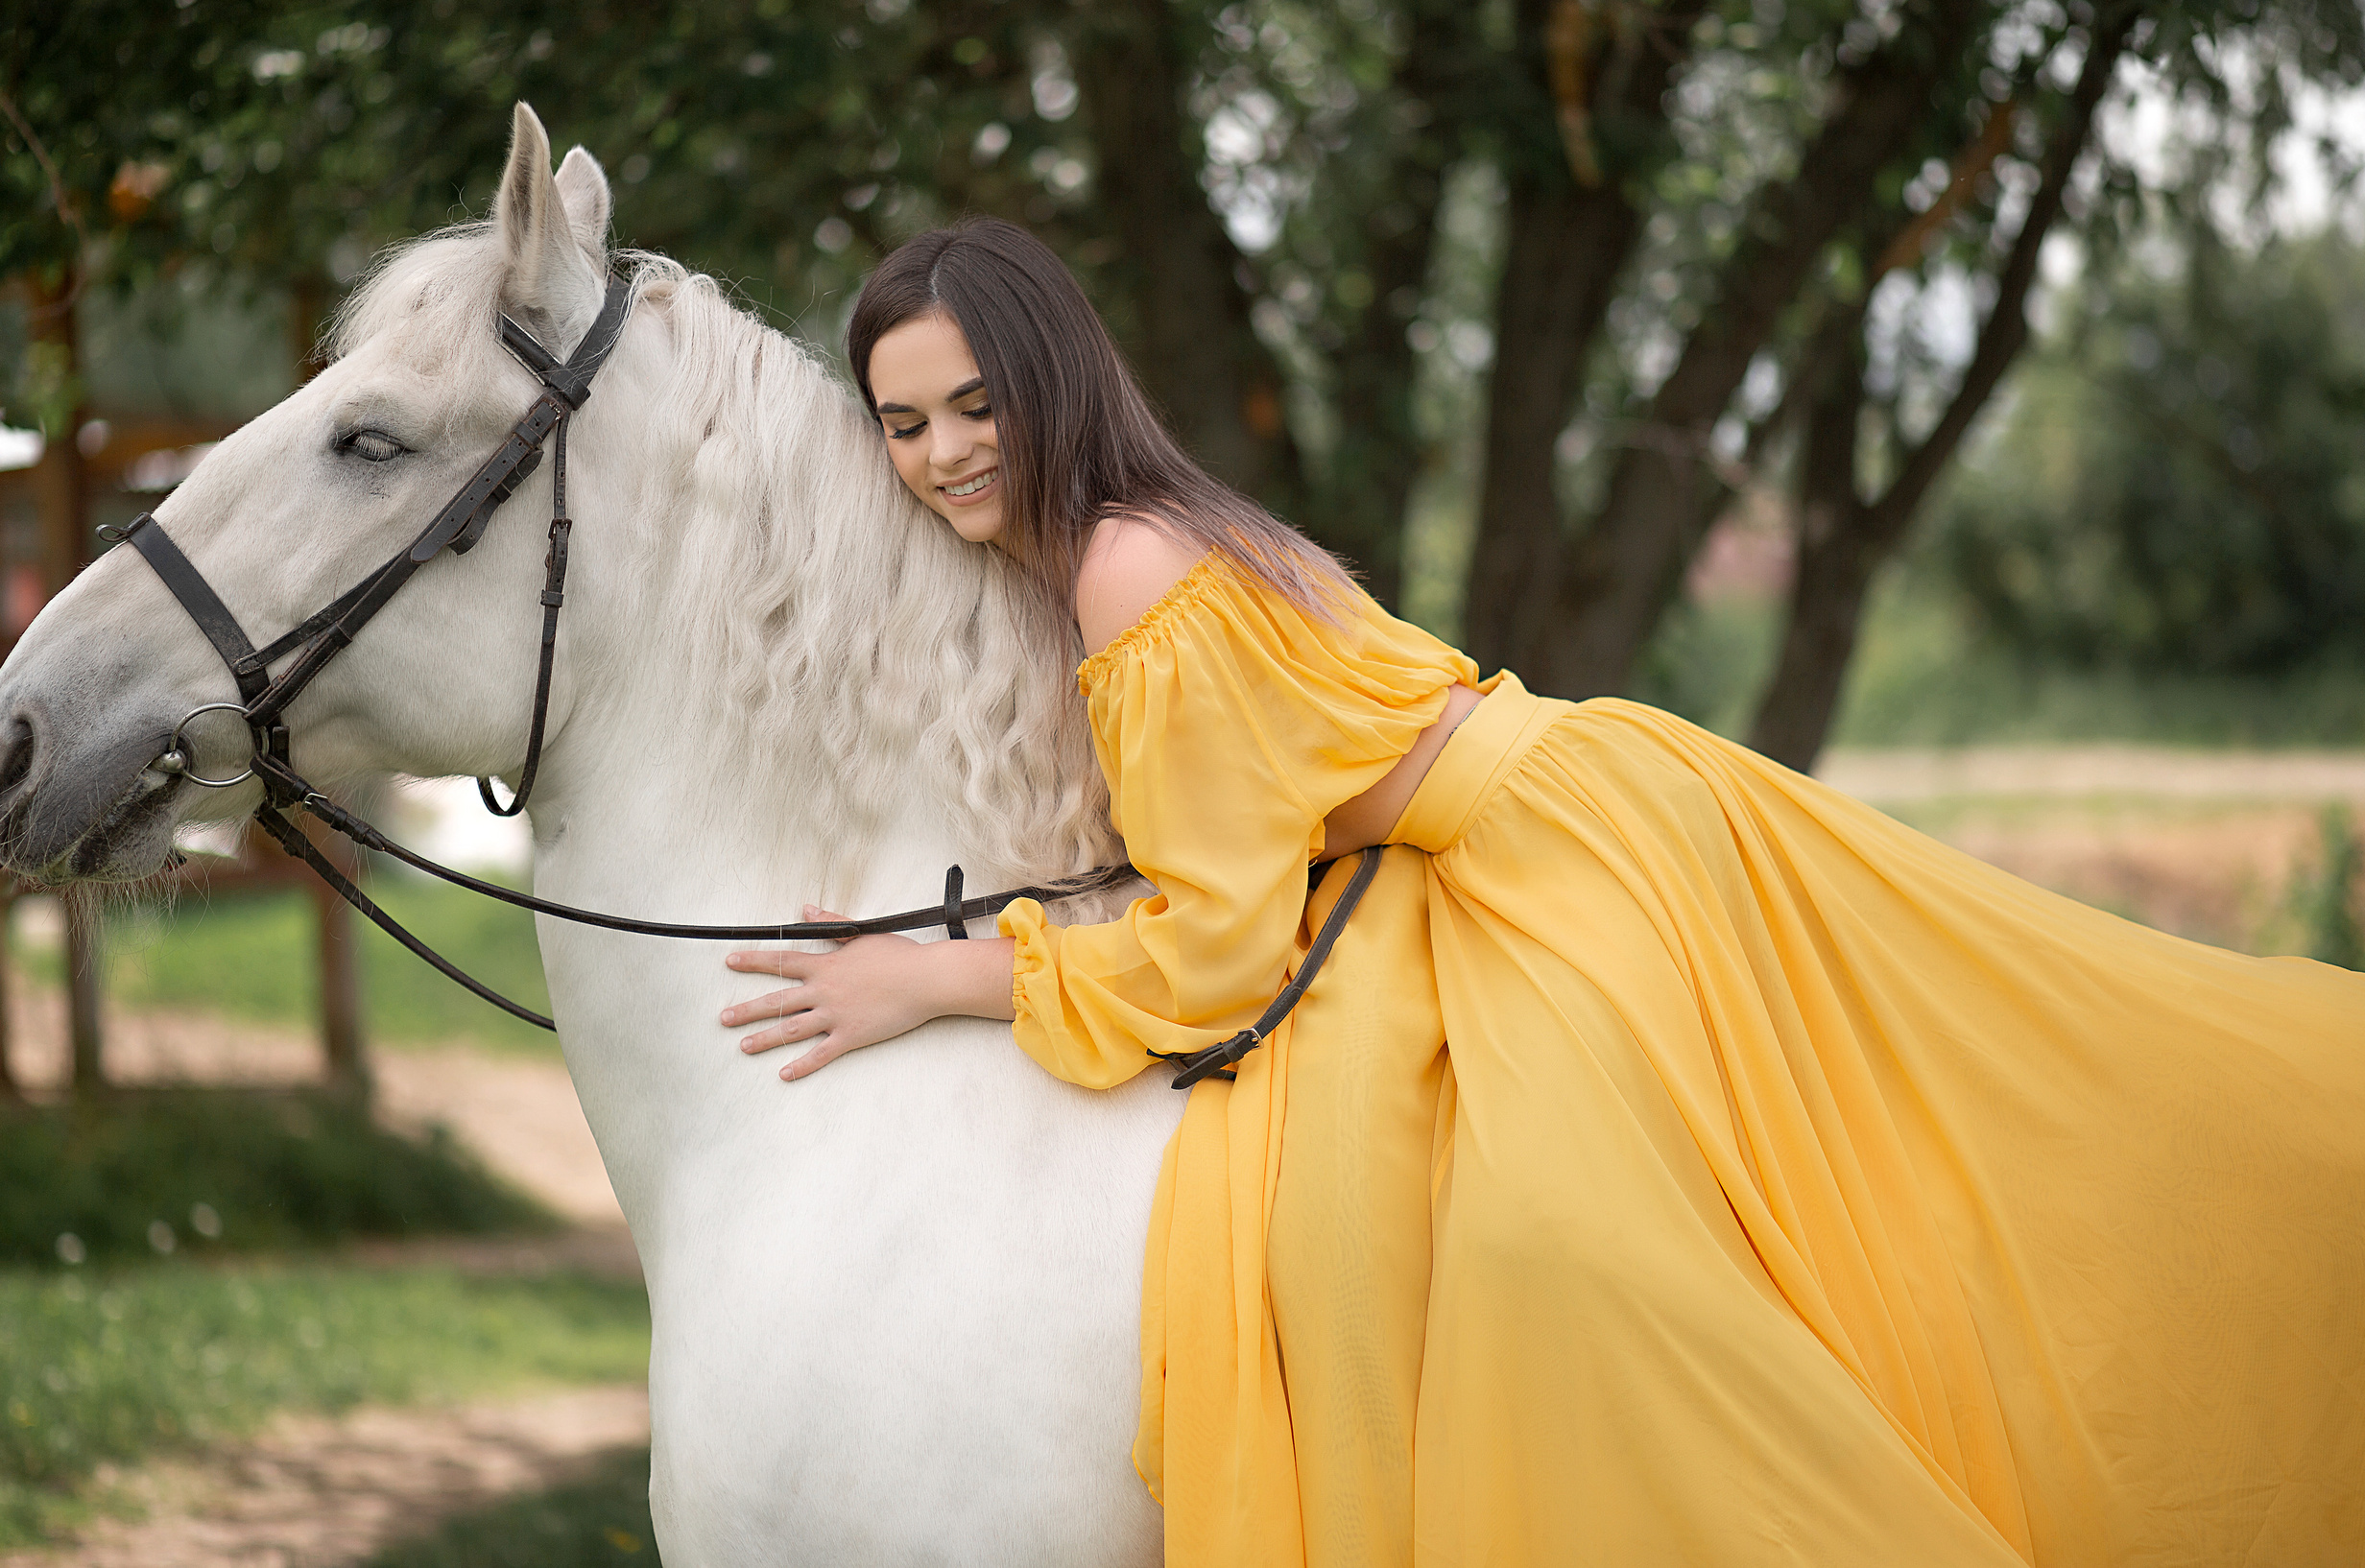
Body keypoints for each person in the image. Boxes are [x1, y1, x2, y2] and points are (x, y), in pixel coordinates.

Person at [718, 218, 2365, 1566]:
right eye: (905, 421)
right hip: (1563, 805)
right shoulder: (1126, 531)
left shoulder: (1124, 564)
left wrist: (928, 978)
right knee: (1861, 1153)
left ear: (1051, 380)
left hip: (1548, 854)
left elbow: (1216, 953)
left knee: (1581, 1253)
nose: (943, 453)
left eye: (976, 405)